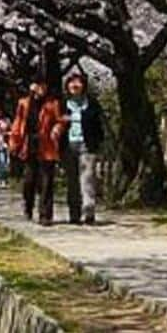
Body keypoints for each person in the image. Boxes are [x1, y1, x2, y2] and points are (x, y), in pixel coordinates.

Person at [8, 80, 65, 225]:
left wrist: (57, 128)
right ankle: (28, 205)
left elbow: (60, 120)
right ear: (32, 87)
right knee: (29, 180)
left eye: (44, 86)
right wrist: (14, 143)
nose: (41, 89)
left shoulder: (53, 104)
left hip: (47, 145)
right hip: (29, 145)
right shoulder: (24, 103)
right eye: (38, 85)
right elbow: (18, 123)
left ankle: (45, 215)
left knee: (46, 182)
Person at [61, 72, 107, 225]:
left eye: (78, 82)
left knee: (87, 180)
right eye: (71, 82)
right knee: (72, 181)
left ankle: (89, 212)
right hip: (68, 146)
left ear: (84, 85)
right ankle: (74, 214)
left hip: (87, 146)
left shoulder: (92, 104)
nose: (75, 85)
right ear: (67, 86)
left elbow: (99, 126)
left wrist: (100, 145)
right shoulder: (63, 104)